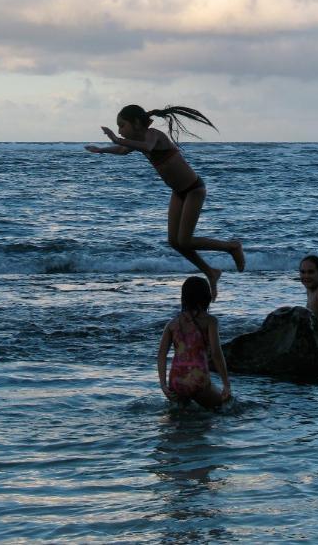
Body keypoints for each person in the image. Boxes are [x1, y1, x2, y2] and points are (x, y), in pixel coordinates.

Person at [86, 104, 245, 299]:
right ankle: (211, 272)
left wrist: (116, 138)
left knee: (185, 240)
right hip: (178, 192)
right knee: (175, 242)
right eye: (118, 127)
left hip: (194, 189)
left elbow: (147, 147)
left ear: (136, 123)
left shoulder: (153, 135)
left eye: (122, 125)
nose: (120, 130)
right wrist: (102, 150)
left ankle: (232, 247)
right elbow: (122, 150)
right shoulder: (135, 140)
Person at [157, 276, 231, 408]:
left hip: (176, 380)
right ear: (206, 297)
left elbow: (161, 354)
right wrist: (226, 384)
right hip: (198, 378)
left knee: (180, 420)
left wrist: (163, 384)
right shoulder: (210, 321)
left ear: (184, 298)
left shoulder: (172, 324)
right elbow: (216, 353)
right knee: (225, 406)